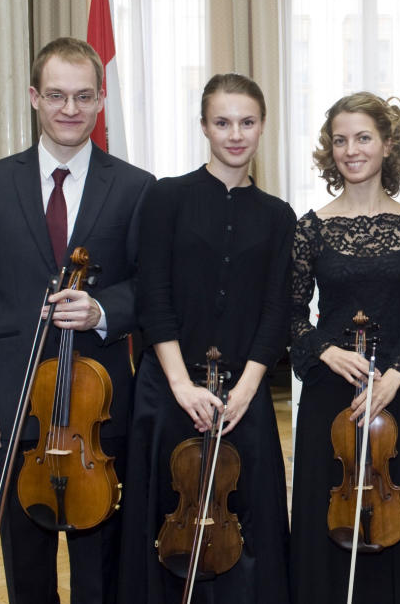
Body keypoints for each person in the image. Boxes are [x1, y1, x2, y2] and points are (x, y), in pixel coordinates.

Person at [0, 37, 154, 603]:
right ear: (35, 97)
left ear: (101, 99)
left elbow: (151, 290)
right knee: (27, 563)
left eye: (84, 96)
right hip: (14, 406)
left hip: (99, 408)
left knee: (101, 566)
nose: (71, 109)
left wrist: (104, 308)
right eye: (58, 95)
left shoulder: (137, 187)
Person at [118, 73, 293, 603]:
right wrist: (182, 386)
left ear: (262, 127)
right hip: (168, 392)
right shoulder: (165, 198)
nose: (235, 134)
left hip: (244, 397)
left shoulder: (278, 215)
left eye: (246, 122)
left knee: (247, 524)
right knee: (164, 527)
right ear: (203, 127)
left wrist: (244, 389)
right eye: (222, 122)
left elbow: (275, 310)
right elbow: (154, 296)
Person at [289, 92, 400, 604]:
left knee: (399, 513)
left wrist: (397, 375)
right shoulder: (309, 227)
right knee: (325, 517)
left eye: (363, 137)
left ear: (388, 144)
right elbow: (288, 315)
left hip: (396, 393)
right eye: (340, 140)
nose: (351, 149)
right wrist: (325, 350)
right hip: (332, 396)